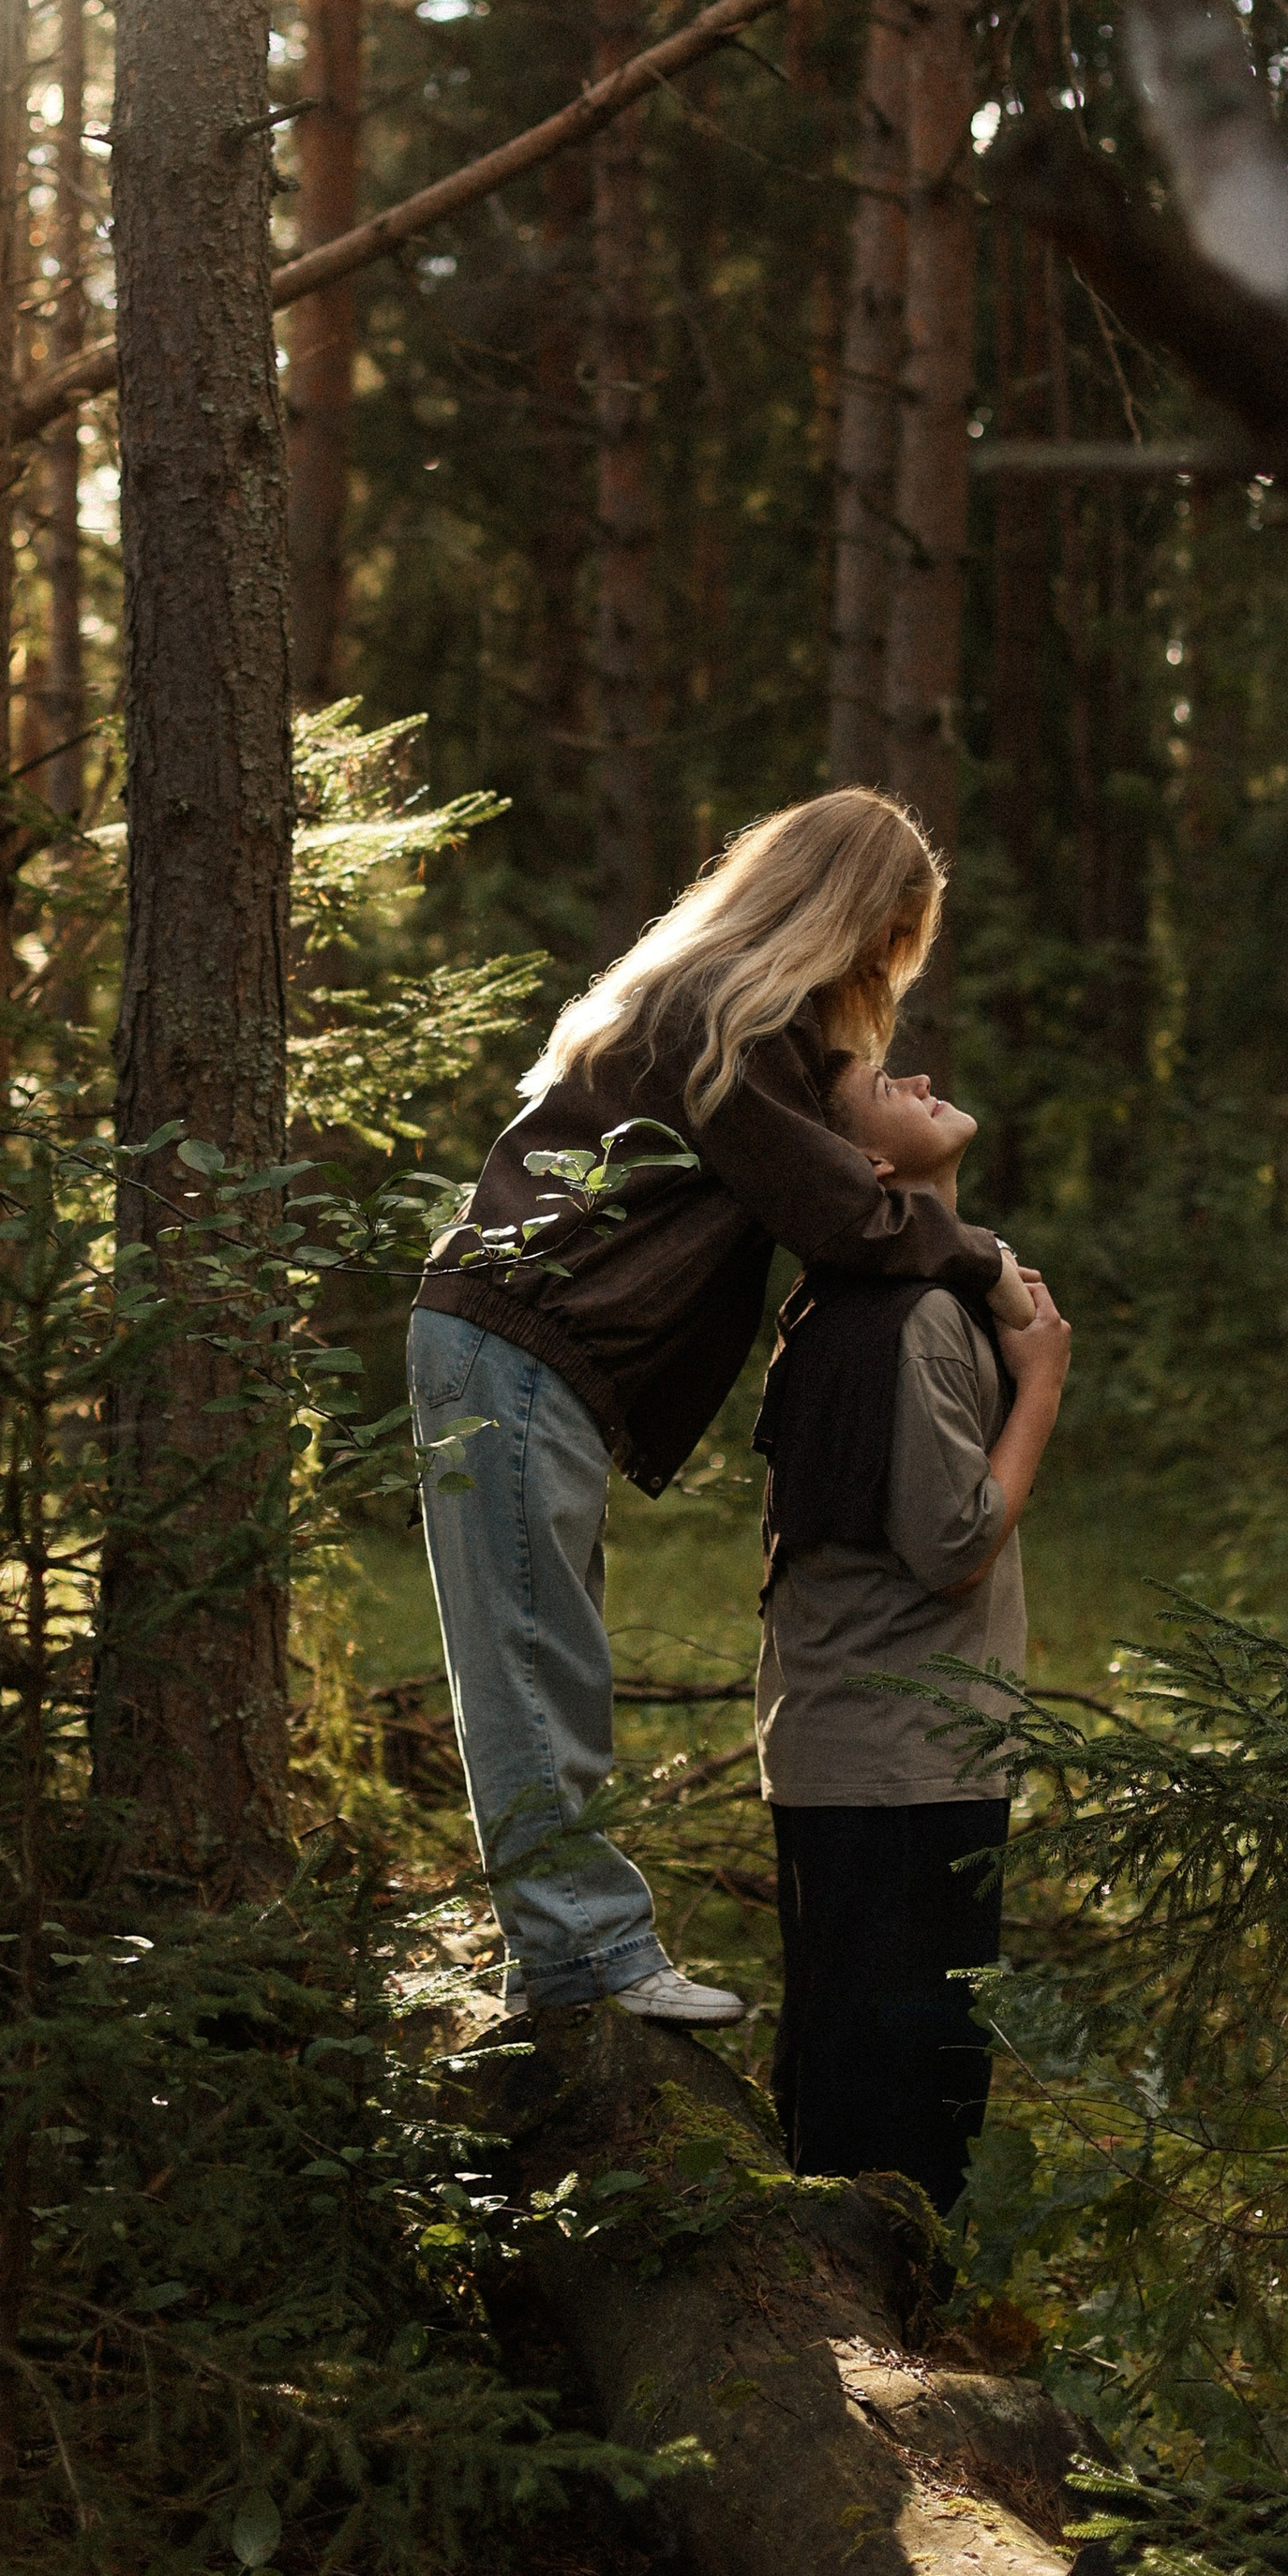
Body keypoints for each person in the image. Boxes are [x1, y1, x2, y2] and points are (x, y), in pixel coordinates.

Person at [409, 789, 1009, 2027]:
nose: (882, 968)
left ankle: (565, 1956)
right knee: (531, 1662)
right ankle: (583, 1961)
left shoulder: (728, 1014)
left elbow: (832, 1183)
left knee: (540, 1653)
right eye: (887, 935)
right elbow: (841, 1214)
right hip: (514, 1342)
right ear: (845, 907)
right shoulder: (724, 1016)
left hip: (526, 1351)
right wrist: (983, 1262)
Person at [750, 1050, 1070, 2211]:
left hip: (867, 1752)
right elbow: (953, 1547)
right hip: (899, 1765)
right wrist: (1042, 1385)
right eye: (887, 1084)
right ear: (869, 1166)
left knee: (854, 2089)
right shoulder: (920, 1316)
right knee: (896, 2129)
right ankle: (869, 2314)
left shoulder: (860, 1296)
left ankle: (844, 2299)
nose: (921, 1075)